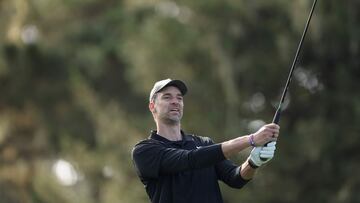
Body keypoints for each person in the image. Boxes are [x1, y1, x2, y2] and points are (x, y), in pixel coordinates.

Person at [132, 78, 280, 203]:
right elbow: (190, 159)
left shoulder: (203, 143)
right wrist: (251, 139)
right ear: (152, 106)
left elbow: (235, 178)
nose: (175, 101)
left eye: (179, 98)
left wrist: (253, 162)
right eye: (167, 97)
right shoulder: (145, 151)